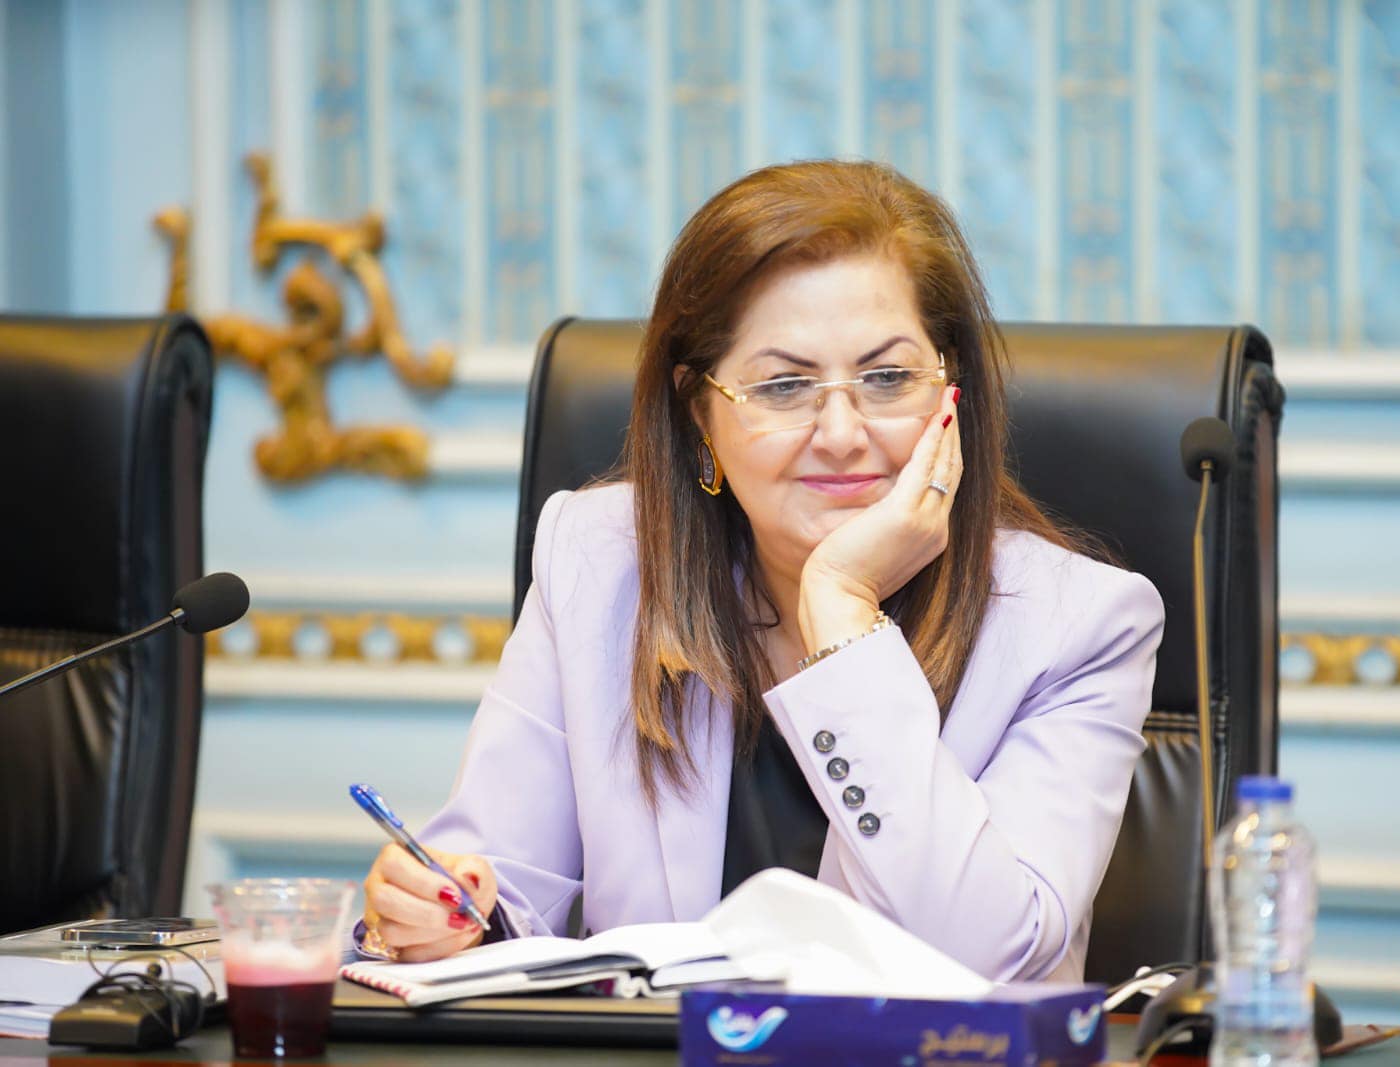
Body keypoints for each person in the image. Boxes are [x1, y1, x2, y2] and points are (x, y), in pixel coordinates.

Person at [358, 160, 1164, 984]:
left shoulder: (1079, 626)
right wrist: (440, 918)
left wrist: (843, 609)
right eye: (783, 385)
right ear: (699, 413)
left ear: (948, 391)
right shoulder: (597, 562)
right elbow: (496, 888)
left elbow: (988, 956)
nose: (842, 434)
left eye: (888, 378)